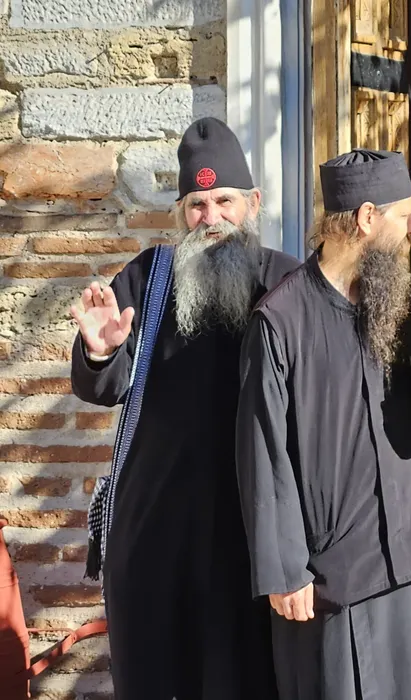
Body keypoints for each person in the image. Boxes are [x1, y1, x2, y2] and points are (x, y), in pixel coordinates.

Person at [69, 117, 298, 699]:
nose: (210, 217)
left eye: (224, 201)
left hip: (251, 545)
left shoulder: (287, 282)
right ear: (180, 212)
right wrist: (100, 352)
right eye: (197, 205)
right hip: (155, 540)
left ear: (253, 203)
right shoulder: (147, 279)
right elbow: (104, 386)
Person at [235, 149, 411, 699]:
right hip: (331, 581)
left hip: (410, 565)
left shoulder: (395, 306)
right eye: (405, 217)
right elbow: (263, 452)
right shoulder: (280, 320)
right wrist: (286, 570)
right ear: (366, 218)